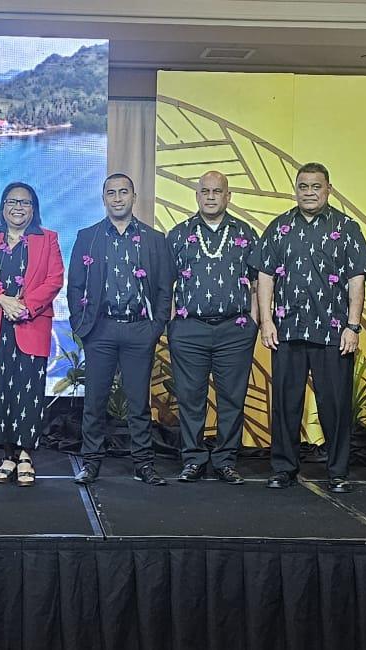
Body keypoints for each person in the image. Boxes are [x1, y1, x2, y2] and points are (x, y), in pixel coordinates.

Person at [250, 162, 366, 493]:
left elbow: (357, 279)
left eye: (316, 186)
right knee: (285, 404)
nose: (309, 192)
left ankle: (338, 472)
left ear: (328, 189)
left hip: (333, 333)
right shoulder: (279, 227)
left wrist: (353, 326)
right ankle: (283, 469)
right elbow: (265, 275)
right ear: (296, 189)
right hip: (287, 330)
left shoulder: (347, 227)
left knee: (335, 405)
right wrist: (266, 321)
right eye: (303, 186)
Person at [69, 173, 174, 486]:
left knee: (138, 403)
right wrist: (82, 326)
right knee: (95, 401)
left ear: (133, 197)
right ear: (104, 198)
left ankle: (143, 463)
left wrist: (155, 326)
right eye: (111, 193)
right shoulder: (88, 237)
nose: (117, 198)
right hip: (100, 330)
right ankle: (91, 462)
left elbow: (164, 287)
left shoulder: (154, 239)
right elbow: (75, 286)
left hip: (139, 329)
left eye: (123, 192)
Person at [165, 171, 260, 485]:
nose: (210, 197)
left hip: (235, 330)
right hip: (189, 329)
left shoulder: (246, 233)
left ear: (228, 196)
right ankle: (193, 460)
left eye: (217, 191)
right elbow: (165, 283)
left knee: (232, 399)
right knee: (190, 398)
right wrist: (172, 324)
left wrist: (254, 321)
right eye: (204, 191)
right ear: (196, 195)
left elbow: (259, 281)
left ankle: (225, 460)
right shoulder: (179, 234)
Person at [0, 183, 64, 487]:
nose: (18, 207)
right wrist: (1, 299)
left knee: (28, 390)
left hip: (30, 324)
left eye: (24, 202)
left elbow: (54, 279)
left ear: (33, 208)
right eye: (12, 201)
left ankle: (24, 455)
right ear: (3, 206)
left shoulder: (48, 239)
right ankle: (7, 454)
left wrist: (24, 307)